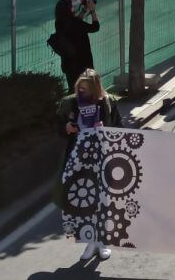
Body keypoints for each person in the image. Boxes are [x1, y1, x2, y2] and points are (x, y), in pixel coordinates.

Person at [57, 68, 117, 262]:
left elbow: (119, 127)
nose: (83, 93)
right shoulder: (70, 104)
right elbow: (58, 126)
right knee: (84, 200)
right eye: (79, 89)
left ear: (96, 89)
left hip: (102, 158)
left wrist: (106, 131)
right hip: (78, 159)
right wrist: (66, 128)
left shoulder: (107, 103)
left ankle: (103, 242)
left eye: (87, 90)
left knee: (102, 200)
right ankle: (91, 242)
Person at [52, 0, 99, 90]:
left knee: (73, 90)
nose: (73, 9)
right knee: (86, 91)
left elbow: (75, 22)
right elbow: (95, 27)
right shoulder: (76, 24)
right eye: (71, 7)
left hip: (68, 64)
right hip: (83, 62)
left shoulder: (59, 23)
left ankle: (74, 104)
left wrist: (84, 10)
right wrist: (93, 11)